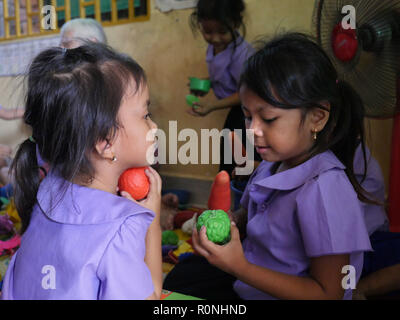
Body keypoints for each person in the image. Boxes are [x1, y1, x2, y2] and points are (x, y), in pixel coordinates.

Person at [165, 33, 376, 300]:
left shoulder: (324, 189)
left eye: (268, 119)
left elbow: (328, 293)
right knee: (182, 277)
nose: (253, 130)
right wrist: (232, 223)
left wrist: (238, 266)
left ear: (317, 118)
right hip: (251, 279)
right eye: (247, 116)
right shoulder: (271, 165)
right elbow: (250, 215)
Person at [1, 43, 162, 300]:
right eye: (146, 115)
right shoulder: (122, 226)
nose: (154, 125)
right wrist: (151, 219)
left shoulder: (46, 189)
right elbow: (152, 295)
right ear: (106, 143)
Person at [187, 0, 261, 176]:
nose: (215, 38)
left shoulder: (241, 54)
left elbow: (247, 92)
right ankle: (227, 195)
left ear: (235, 24)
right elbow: (224, 77)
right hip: (236, 110)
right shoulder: (214, 47)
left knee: (242, 162)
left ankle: (242, 198)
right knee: (229, 158)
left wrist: (212, 106)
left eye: (222, 32)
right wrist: (205, 84)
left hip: (248, 112)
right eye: (208, 32)